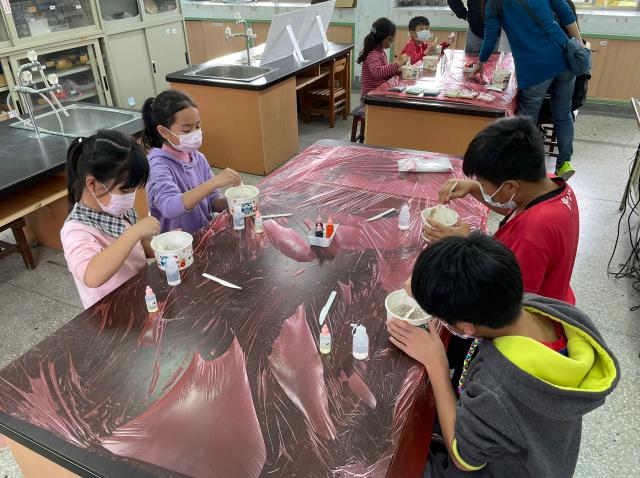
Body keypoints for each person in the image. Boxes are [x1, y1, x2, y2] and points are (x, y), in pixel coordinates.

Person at [387, 234, 619, 477]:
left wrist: (436, 363)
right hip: (546, 456)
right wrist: (427, 286)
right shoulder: (545, 309)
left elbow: (462, 457)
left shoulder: (496, 387)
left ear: (465, 326)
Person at [425, 117, 579, 305]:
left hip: (535, 311)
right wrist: (474, 188)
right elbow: (513, 206)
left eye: (483, 183)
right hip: (557, 292)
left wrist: (469, 245)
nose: (481, 186)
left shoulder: (531, 233)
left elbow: (508, 301)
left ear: (510, 186)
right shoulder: (548, 184)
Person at [473, 0, 585, 178]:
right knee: (563, 114)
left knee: (527, 122)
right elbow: (566, 12)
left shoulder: (495, 4)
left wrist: (481, 62)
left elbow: (491, 36)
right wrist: (579, 45)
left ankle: (531, 170)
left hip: (534, 68)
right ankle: (564, 163)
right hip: (564, 58)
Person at [61, 130, 160, 309]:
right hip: (112, 311)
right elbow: (92, 275)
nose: (131, 196)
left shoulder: (117, 208)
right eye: (126, 190)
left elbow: (139, 248)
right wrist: (135, 232)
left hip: (140, 293)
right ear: (93, 184)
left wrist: (162, 246)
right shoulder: (76, 230)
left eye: (134, 190)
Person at [142, 89, 241, 233]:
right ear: (164, 132)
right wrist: (213, 183)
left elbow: (213, 201)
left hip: (204, 235)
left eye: (198, 126)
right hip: (178, 244)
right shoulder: (157, 166)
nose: (195, 133)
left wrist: (234, 202)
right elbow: (169, 207)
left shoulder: (197, 158)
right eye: (187, 130)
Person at [357, 18, 409, 101]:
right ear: (389, 39)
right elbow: (377, 72)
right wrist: (398, 63)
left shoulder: (380, 51)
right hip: (371, 97)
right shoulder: (373, 53)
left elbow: (383, 73)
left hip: (378, 92)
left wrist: (397, 71)